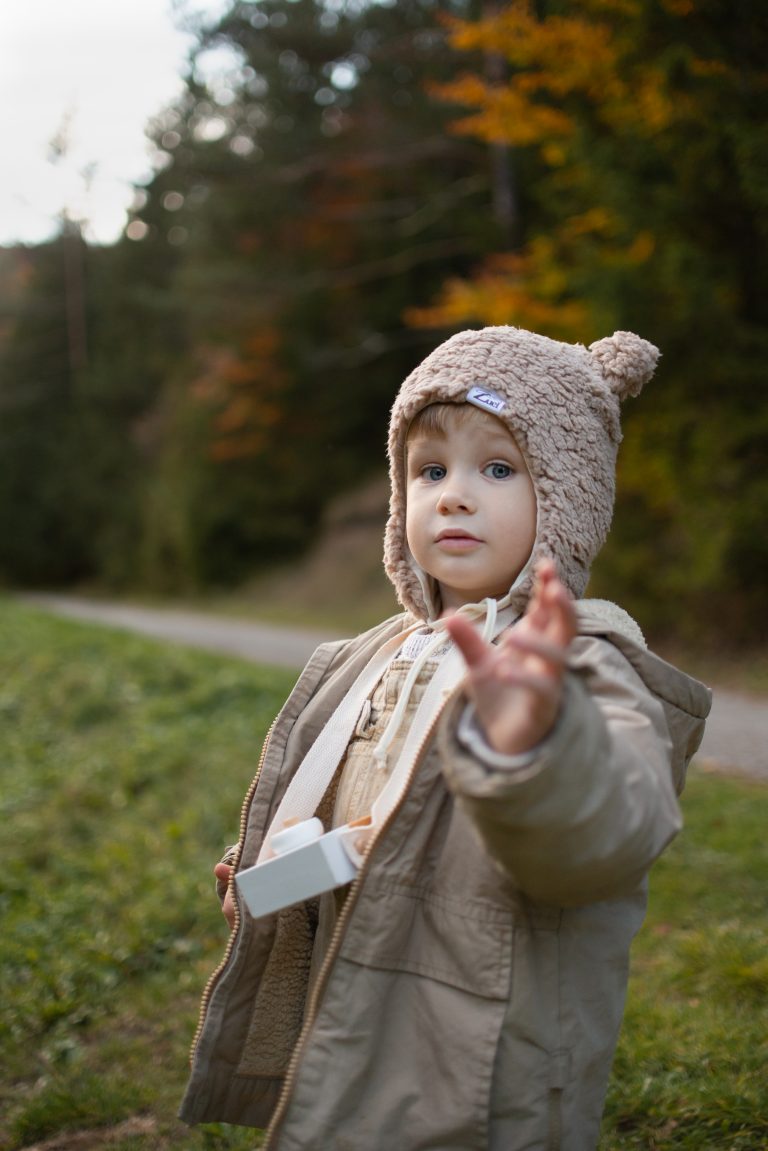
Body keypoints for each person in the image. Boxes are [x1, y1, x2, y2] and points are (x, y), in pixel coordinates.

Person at [179, 326, 711, 1151]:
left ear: (569, 498)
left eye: (498, 468)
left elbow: (611, 835)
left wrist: (536, 749)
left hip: (494, 1049)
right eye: (431, 469)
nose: (454, 494)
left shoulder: (581, 664)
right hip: (363, 1001)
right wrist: (277, 877)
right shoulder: (379, 651)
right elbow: (358, 805)